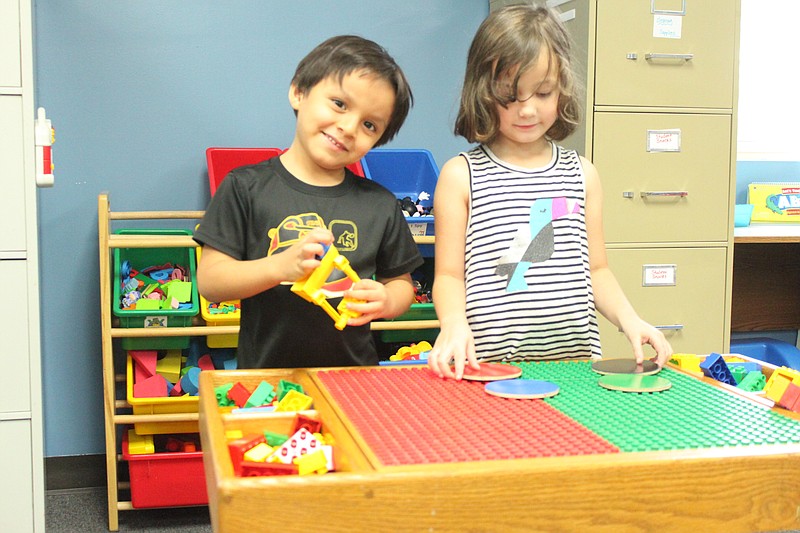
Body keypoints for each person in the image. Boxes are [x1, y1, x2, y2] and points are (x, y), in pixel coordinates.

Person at [427, 5, 672, 380]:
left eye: (543, 93)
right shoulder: (461, 175)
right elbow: (447, 275)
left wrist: (630, 319)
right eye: (510, 95)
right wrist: (453, 324)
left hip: (575, 368)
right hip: (489, 368)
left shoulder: (582, 174)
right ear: (483, 90)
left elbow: (598, 269)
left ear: (562, 88)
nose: (527, 110)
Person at [194, 35, 424, 369]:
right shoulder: (245, 187)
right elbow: (211, 282)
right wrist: (279, 267)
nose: (348, 127)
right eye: (340, 104)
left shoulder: (380, 204)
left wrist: (387, 300)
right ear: (299, 92)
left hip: (355, 380)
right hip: (268, 383)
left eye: (369, 124)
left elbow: (401, 285)